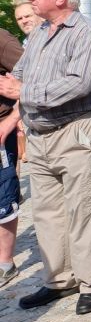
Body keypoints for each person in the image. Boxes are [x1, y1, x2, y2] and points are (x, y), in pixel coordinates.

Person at [0, 0, 91, 314]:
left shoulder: (86, 32)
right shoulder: (38, 34)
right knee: (48, 214)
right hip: (41, 135)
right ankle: (59, 281)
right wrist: (12, 85)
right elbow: (18, 73)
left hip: (76, 130)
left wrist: (24, 91)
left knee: (85, 209)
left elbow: (79, 83)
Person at [0, 28, 24, 288]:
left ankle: (4, 263)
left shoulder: (2, 40)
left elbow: (33, 77)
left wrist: (12, 119)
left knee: (3, 196)